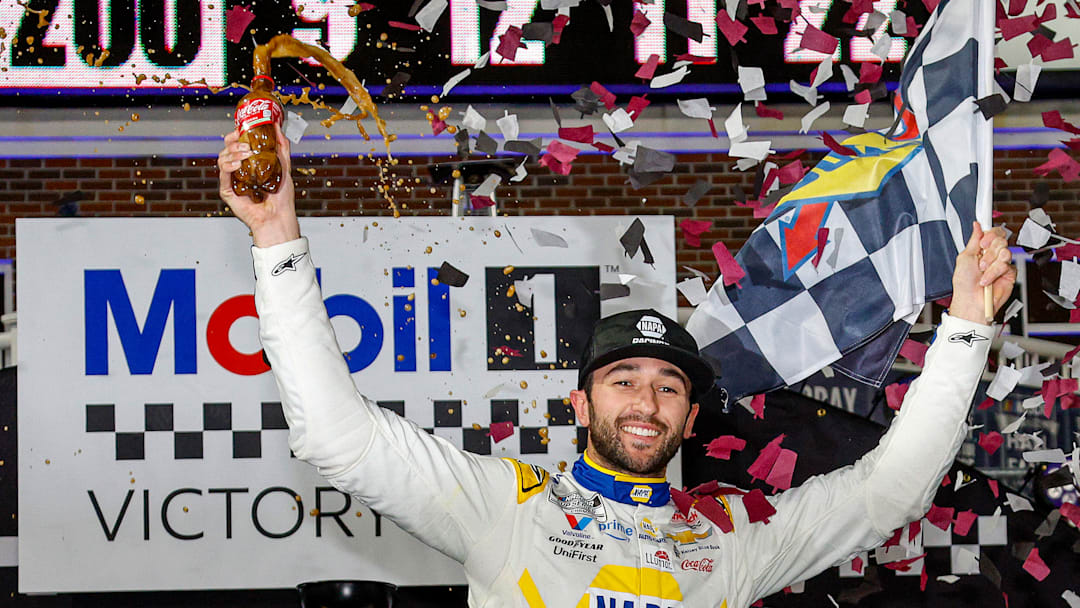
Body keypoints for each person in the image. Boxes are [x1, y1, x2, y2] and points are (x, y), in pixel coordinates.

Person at [218, 127, 1016, 608]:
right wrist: (276, 235)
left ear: (691, 417)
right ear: (579, 402)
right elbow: (334, 436)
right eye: (624, 379)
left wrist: (968, 328)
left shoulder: (735, 536)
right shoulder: (505, 509)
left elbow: (890, 492)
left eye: (670, 386)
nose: (647, 398)